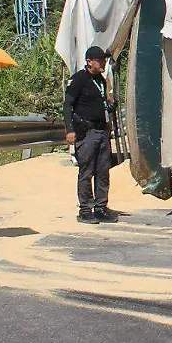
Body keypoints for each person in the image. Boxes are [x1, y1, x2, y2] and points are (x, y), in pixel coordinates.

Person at [65, 46, 117, 224]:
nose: (103, 63)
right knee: (87, 171)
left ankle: (101, 207)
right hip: (86, 132)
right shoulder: (79, 79)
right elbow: (68, 105)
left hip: (101, 130)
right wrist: (70, 129)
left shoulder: (100, 80)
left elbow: (101, 101)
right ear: (89, 61)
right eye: (100, 60)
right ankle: (85, 210)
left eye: (104, 60)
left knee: (103, 171)